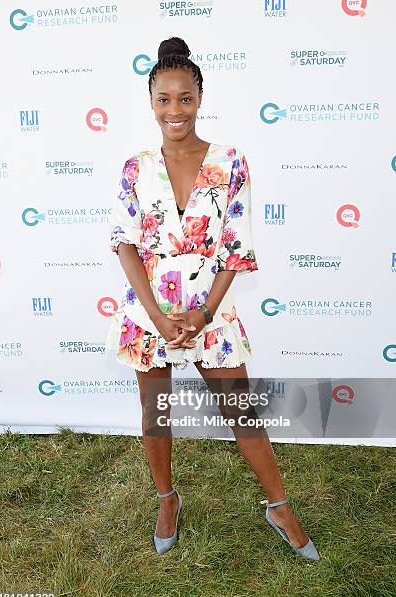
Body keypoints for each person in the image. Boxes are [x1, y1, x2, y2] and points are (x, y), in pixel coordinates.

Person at [106, 36, 320, 561]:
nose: (174, 110)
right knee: (156, 413)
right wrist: (157, 315)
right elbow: (125, 242)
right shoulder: (135, 166)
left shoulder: (230, 161)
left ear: (200, 98)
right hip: (150, 312)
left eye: (185, 98)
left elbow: (235, 247)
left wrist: (202, 314)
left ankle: (278, 505)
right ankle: (167, 499)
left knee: (241, 412)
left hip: (211, 308)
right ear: (150, 102)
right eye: (164, 99)